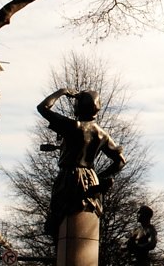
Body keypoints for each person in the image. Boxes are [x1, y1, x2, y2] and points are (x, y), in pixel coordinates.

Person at [37, 87, 126, 238]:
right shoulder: (102, 134)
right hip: (91, 178)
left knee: (60, 219)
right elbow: (120, 161)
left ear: (79, 107)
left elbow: (42, 108)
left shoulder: (73, 127)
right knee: (85, 222)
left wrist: (62, 91)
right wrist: (99, 176)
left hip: (69, 177)